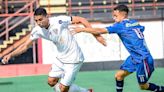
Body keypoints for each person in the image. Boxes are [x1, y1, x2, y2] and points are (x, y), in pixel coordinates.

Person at [2, 7, 106, 92]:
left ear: (47, 17)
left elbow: (81, 19)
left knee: (63, 89)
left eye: (41, 19)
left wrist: (97, 36)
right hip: (60, 58)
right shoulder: (38, 30)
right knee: (51, 82)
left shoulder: (59, 21)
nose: (39, 23)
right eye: (36, 20)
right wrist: (10, 55)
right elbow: (25, 46)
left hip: (74, 58)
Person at [72, 4, 164, 92]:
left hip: (143, 59)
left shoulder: (120, 26)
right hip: (134, 57)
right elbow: (140, 29)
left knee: (143, 86)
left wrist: (82, 29)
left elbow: (99, 30)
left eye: (115, 15)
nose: (114, 18)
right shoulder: (134, 22)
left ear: (122, 14)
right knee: (118, 76)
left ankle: (161, 89)